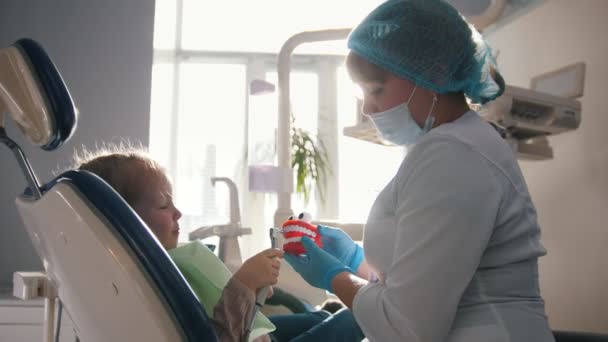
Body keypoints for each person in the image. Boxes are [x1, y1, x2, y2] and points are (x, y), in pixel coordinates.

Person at [284, 0, 555, 341]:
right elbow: (422, 286)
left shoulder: (454, 155)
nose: (367, 107)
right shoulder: (448, 146)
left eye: (376, 89)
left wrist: (332, 276)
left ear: (435, 73)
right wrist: (353, 260)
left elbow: (407, 327)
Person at [73, 144, 364, 342]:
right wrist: (245, 285)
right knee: (360, 317)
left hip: (256, 333)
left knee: (314, 320)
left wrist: (253, 293)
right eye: (163, 205)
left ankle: (330, 313)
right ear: (126, 220)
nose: (178, 213)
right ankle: (366, 304)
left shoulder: (150, 268)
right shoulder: (152, 283)